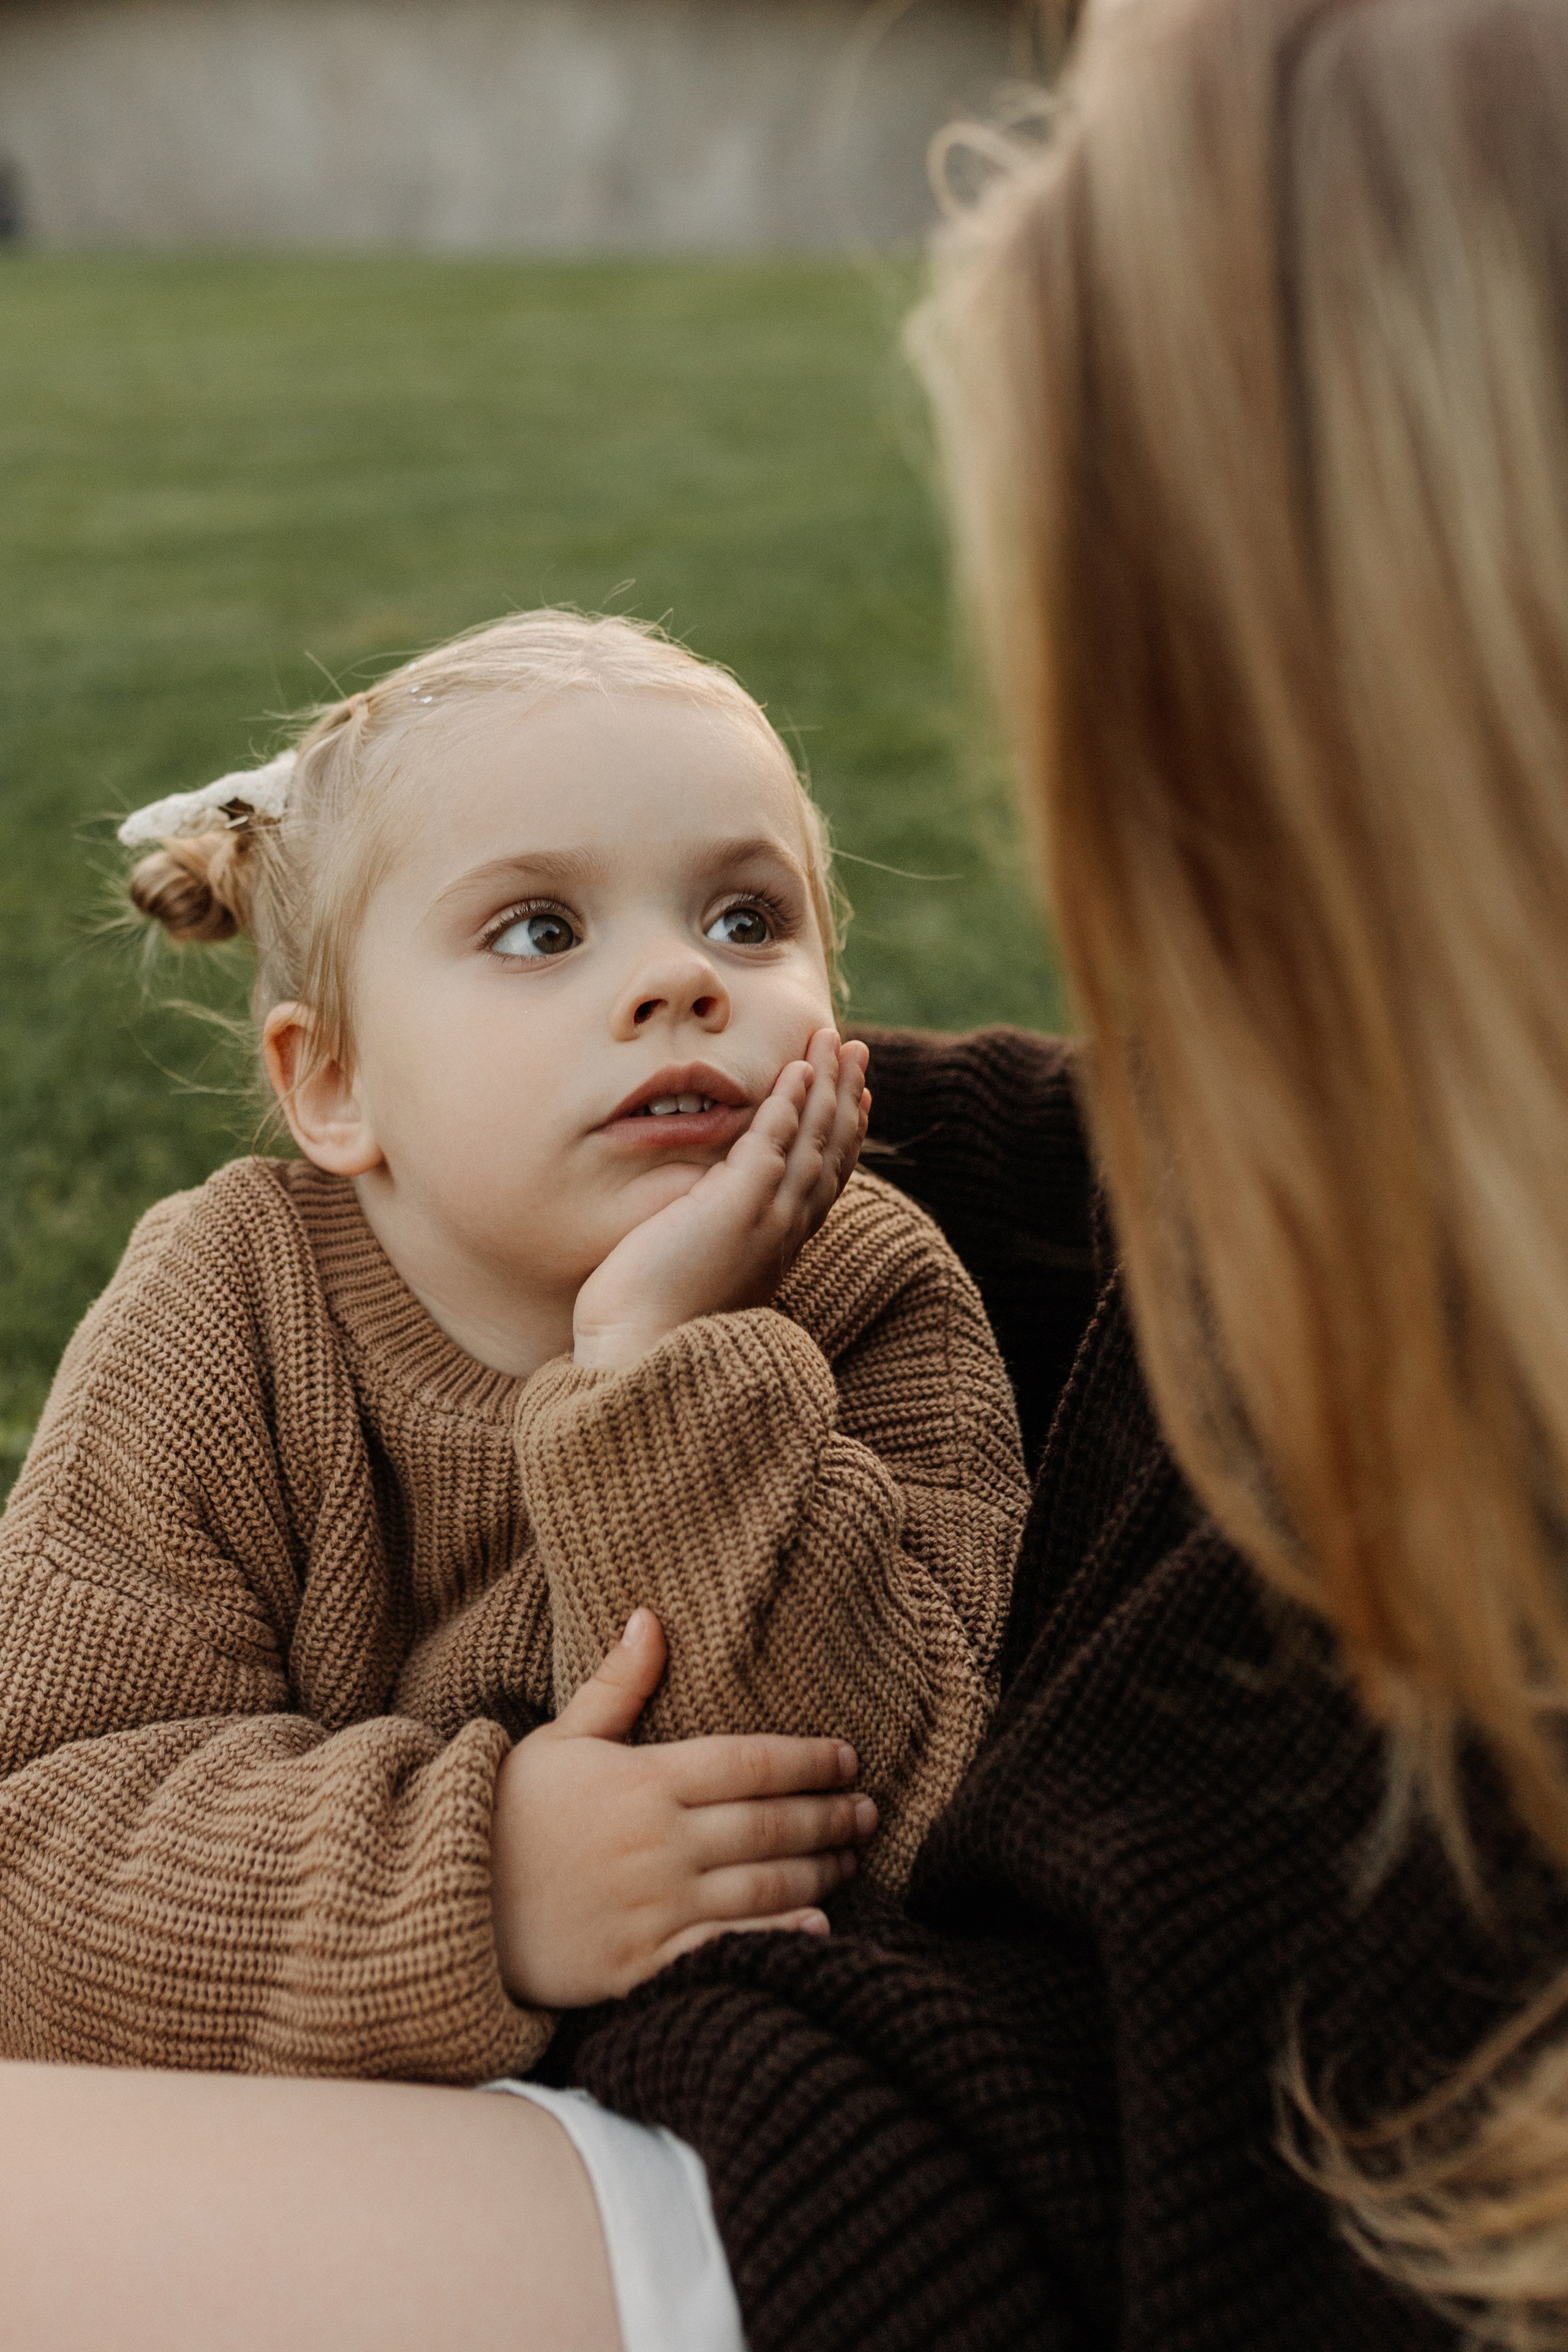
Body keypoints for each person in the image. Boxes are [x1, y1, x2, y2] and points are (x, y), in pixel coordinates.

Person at [7, 0, 1568, 2345]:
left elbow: (889, 1808)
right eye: (540, 932)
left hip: (747, 2148)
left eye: (748, 919)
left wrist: (673, 1369)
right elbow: (37, 1830)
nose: (678, 988)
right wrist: (485, 1874)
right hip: (402, 2039)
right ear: (330, 1087)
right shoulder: (231, 1303)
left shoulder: (871, 1297)